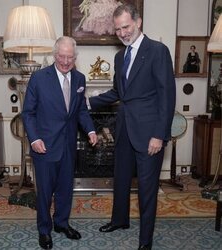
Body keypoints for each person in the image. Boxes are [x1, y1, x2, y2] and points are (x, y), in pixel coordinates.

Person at [89, 4, 176, 250]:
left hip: (149, 133)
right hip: (124, 128)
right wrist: (87, 101)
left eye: (126, 27)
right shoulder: (120, 56)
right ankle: (119, 220)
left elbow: (166, 96)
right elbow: (119, 92)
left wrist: (159, 135)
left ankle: (145, 242)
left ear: (138, 22)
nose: (123, 33)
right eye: (118, 29)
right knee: (120, 179)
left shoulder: (158, 51)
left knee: (147, 190)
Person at [22, 36, 98, 250]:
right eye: (62, 56)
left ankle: (61, 223)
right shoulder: (38, 78)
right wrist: (34, 138)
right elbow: (28, 113)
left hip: (68, 145)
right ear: (55, 55)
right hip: (44, 145)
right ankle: (44, 230)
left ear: (75, 58)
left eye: (70, 58)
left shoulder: (80, 79)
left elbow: (80, 110)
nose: (65, 61)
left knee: (66, 189)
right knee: (45, 192)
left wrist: (91, 129)